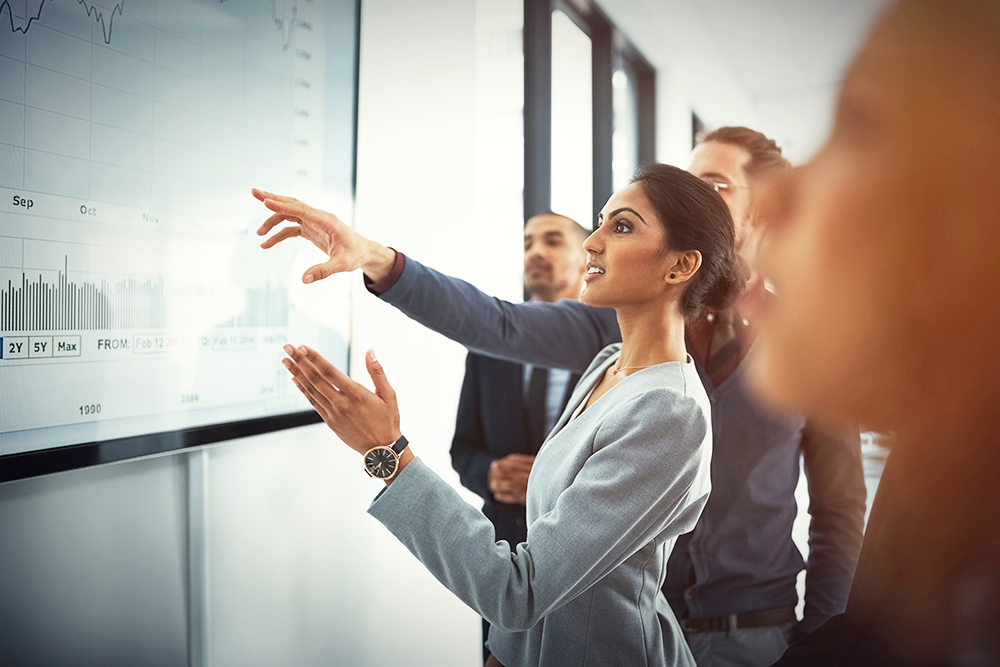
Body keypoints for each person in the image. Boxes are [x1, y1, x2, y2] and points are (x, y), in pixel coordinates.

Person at [251, 126, 867, 666]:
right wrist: (378, 259)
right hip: (633, 621)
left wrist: (823, 640)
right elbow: (497, 325)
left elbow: (839, 508)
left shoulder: (781, 354)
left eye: (712, 181)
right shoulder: (606, 356)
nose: (590, 244)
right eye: (600, 222)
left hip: (753, 628)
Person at [741, 2, 1000, 665]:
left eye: (859, 123)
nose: (768, 201)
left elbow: (836, 513)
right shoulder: (937, 481)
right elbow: (871, 637)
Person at [451, 213, 587, 661]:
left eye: (552, 240)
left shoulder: (616, 345)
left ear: (588, 256)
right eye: (528, 242)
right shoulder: (489, 346)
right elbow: (463, 449)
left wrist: (553, 480)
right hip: (501, 558)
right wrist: (489, 474)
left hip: (584, 564)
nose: (536, 252)